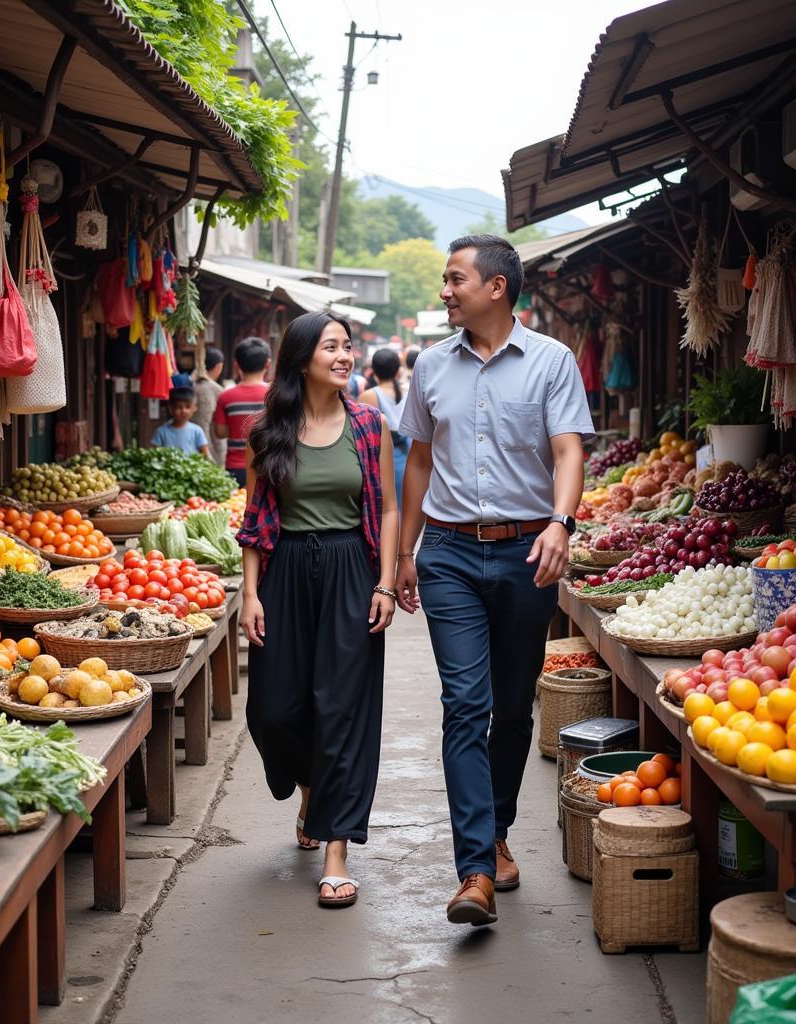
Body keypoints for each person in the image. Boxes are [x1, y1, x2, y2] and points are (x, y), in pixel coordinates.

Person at [396, 234, 593, 927]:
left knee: (511, 709)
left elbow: (569, 450)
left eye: (455, 280)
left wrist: (560, 524)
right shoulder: (430, 366)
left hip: (525, 555)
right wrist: (405, 552)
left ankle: (499, 831)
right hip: (449, 552)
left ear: (496, 288)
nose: (445, 291)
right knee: (463, 704)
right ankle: (475, 869)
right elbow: (418, 461)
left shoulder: (551, 361)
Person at [238, 310, 399, 910]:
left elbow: (384, 508)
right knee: (274, 710)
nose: (344, 355)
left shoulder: (369, 425)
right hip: (284, 575)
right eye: (331, 346)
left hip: (350, 573)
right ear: (302, 358)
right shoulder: (268, 431)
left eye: (348, 346)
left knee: (343, 710)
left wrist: (384, 582)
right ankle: (310, 789)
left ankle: (336, 850)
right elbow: (255, 521)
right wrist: (250, 594)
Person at [213, 336, 271, 488]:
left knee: (236, 507)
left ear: (236, 365)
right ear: (268, 364)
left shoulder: (225, 396)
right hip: (270, 464)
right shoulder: (275, 395)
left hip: (236, 467)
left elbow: (220, 432)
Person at [360, 348, 409, 512]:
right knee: (402, 510)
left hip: (381, 460)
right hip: (408, 457)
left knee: (384, 511)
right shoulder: (408, 392)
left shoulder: (369, 396)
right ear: (397, 370)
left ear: (374, 371)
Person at [150, 387, 210, 457]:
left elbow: (205, 454)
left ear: (194, 408)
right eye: (179, 407)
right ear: (170, 408)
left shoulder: (197, 431)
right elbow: (154, 454)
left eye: (187, 407)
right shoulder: (161, 432)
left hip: (192, 467)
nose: (183, 411)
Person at [193, 346, 226, 467]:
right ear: (219, 366)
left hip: (192, 448)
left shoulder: (191, 385)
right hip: (213, 447)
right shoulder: (219, 391)